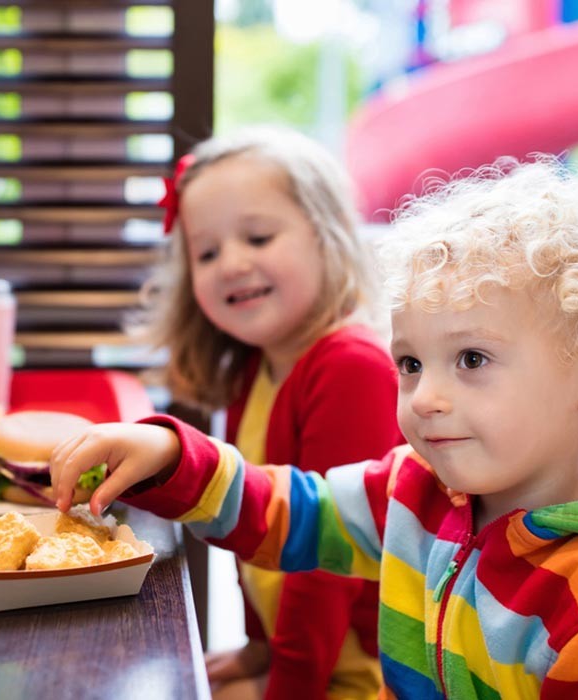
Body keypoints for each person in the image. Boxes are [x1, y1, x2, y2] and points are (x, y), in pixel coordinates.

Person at [55, 158, 578, 697]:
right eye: (410, 362)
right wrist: (173, 454)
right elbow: (292, 512)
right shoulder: (418, 492)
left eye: (472, 359)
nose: (425, 396)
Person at [131, 126, 403, 699]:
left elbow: (324, 566)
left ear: (325, 238)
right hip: (306, 657)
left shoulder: (351, 368)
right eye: (206, 251)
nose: (231, 263)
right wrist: (261, 647)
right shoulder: (254, 367)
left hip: (367, 676)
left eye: (257, 237)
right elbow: (251, 529)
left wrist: (288, 685)